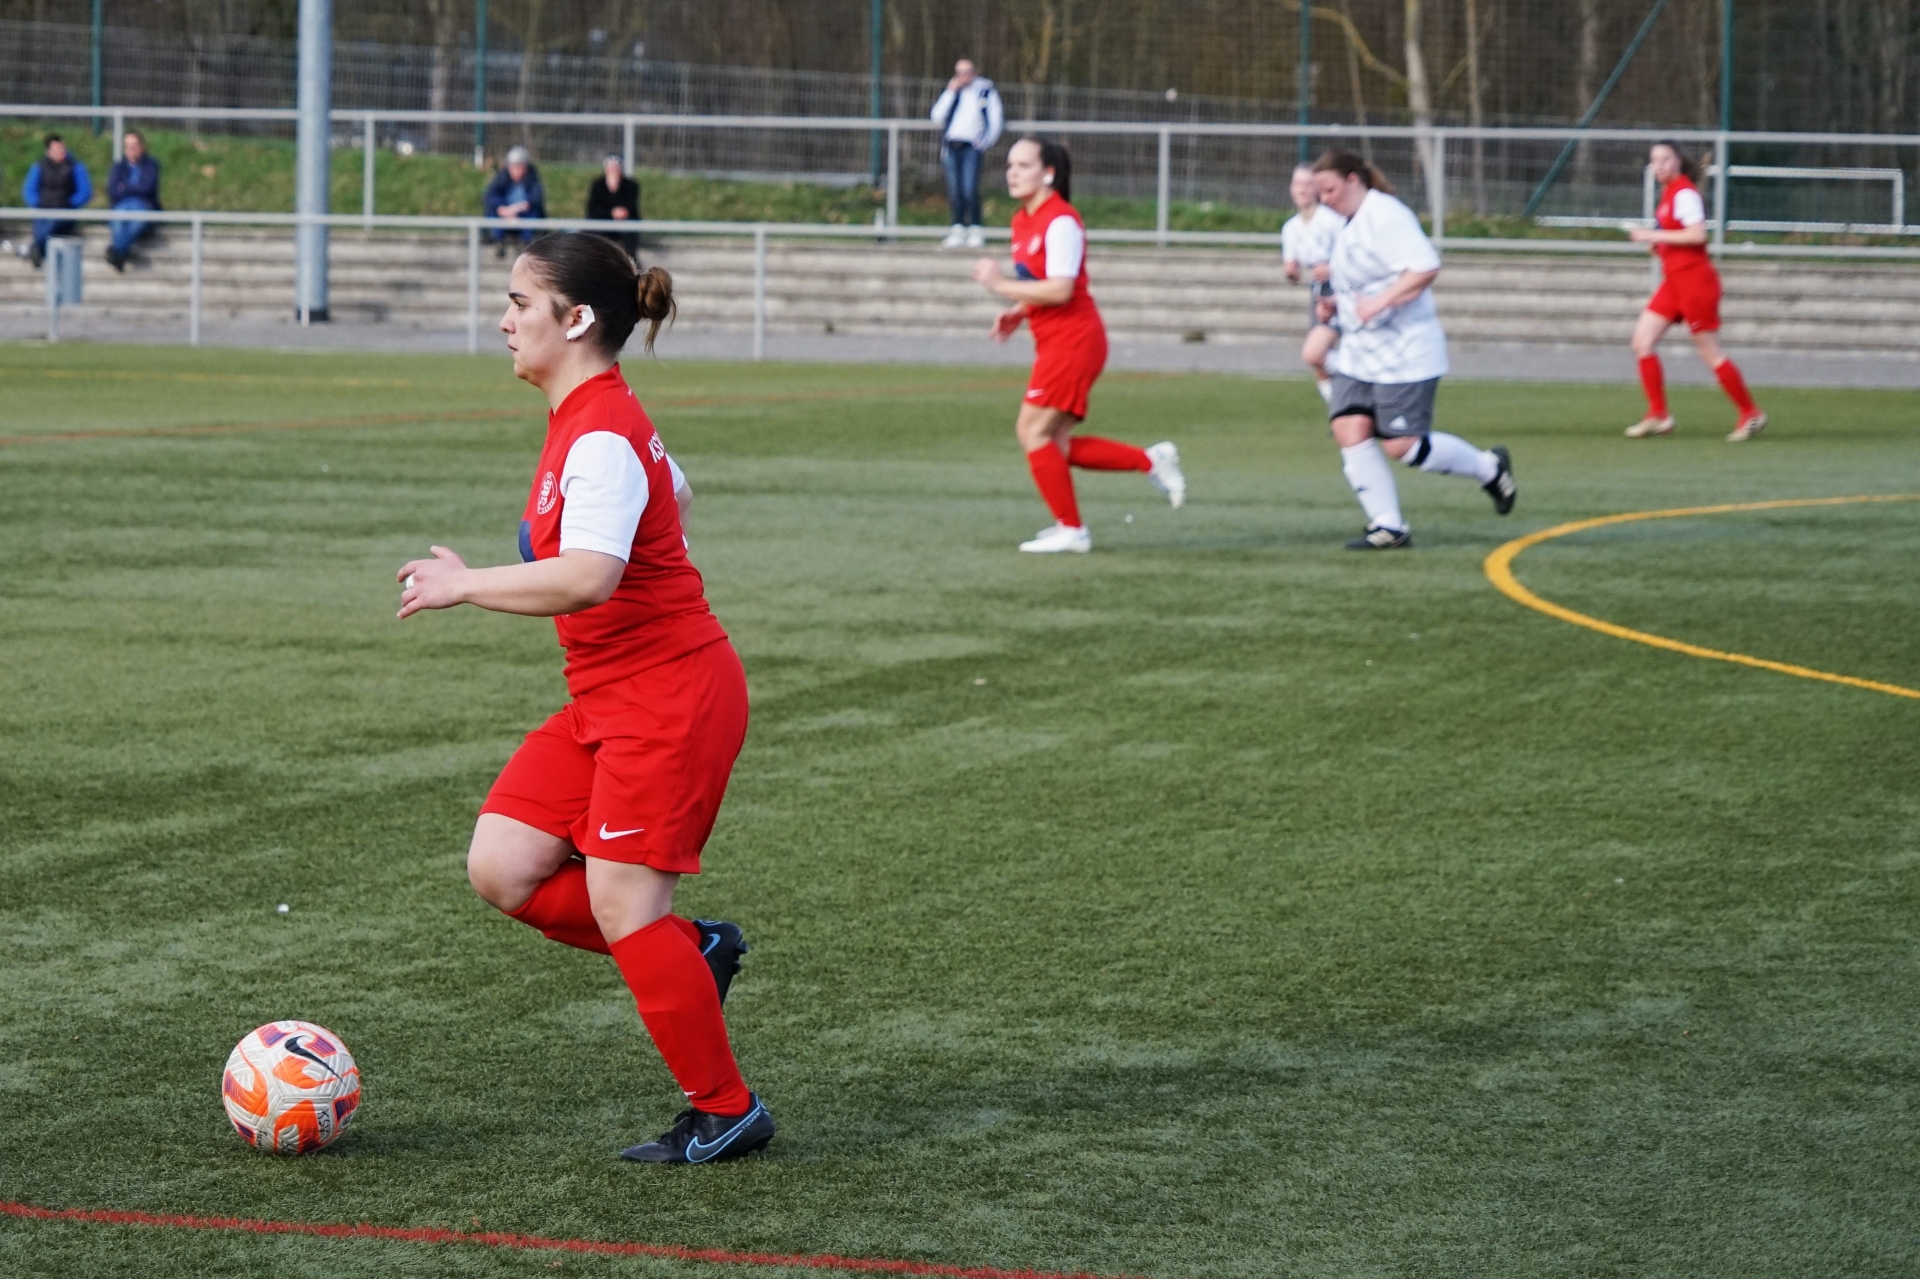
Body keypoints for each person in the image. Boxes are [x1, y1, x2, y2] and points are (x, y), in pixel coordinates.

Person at [396, 232, 775, 1165]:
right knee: (503, 864)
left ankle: (725, 1108)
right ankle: (697, 949)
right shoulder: (590, 417)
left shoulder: (600, 430)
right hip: (610, 694)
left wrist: (466, 582)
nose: (503, 318)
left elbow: (591, 577)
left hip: (668, 697)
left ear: (578, 319)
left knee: (621, 905)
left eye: (520, 302)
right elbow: (673, 494)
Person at [971, 138, 1185, 554]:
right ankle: (1150, 461)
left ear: (1048, 173)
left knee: (1031, 431)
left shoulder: (1061, 220)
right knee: (1055, 444)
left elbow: (1063, 288)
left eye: (1023, 165)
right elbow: (1038, 284)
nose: (1011, 172)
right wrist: (1017, 310)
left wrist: (999, 286)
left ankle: (1072, 530)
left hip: (1074, 341)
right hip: (1054, 341)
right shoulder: (1022, 221)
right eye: (1009, 164)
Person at [1310, 150, 1516, 550]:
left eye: (1330, 190)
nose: (1325, 200)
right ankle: (1388, 525)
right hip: (1360, 350)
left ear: (1354, 180)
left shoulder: (1386, 215)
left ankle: (1487, 468)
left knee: (1402, 446)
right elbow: (1361, 276)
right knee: (1348, 427)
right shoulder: (1348, 223)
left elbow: (1425, 267)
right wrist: (1337, 303)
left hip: (1405, 351)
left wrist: (1381, 302)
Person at [1625, 140, 1767, 442]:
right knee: (1642, 341)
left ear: (1678, 161)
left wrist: (1653, 234)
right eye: (1655, 161)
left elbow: (1697, 234)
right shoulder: (1668, 195)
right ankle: (1658, 415)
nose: (1659, 165)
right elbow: (1676, 239)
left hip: (1694, 282)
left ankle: (1751, 413)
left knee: (1710, 352)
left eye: (1665, 159)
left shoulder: (1685, 193)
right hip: (1674, 282)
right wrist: (1658, 245)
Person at [1280, 162, 1346, 405]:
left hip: (1343, 290)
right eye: (1298, 184)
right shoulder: (1291, 228)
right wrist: (1292, 272)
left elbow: (1353, 254)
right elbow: (1292, 269)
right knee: (1317, 358)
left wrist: (1332, 268)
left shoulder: (1332, 221)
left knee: (1319, 352)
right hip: (1318, 293)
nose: (1302, 190)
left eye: (1308, 184)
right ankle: (1337, 407)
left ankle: (1351, 397)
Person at [931, 59, 1004, 249]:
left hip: (972, 146)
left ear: (975, 72)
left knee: (969, 189)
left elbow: (996, 121)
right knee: (955, 191)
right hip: (951, 146)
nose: (964, 76)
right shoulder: (953, 93)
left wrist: (984, 143)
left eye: (967, 72)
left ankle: (976, 228)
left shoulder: (986, 91)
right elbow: (937, 116)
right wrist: (950, 92)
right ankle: (958, 228)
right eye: (960, 73)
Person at [23, 135, 92, 270]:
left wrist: (71, 203)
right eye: (56, 149)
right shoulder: (39, 167)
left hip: (65, 211)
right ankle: (38, 248)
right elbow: (29, 190)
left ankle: (37, 248)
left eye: (62, 148)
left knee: (52, 220)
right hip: (43, 209)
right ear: (48, 152)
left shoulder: (75, 166)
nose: (60, 152)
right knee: (42, 221)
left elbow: (85, 191)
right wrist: (37, 203)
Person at [105, 130, 163, 272]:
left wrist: (124, 188)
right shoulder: (118, 167)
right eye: (128, 146)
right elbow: (112, 190)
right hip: (122, 204)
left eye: (135, 145)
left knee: (136, 221)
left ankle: (117, 252)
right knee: (117, 221)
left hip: (143, 204)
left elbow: (147, 189)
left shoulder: (151, 165)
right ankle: (122, 252)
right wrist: (133, 188)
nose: (132, 149)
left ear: (142, 146)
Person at [482, 146, 546, 257]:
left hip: (523, 213)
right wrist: (502, 209)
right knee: (492, 213)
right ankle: (498, 241)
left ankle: (525, 242)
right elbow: (490, 196)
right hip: (504, 213)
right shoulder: (501, 177)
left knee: (534, 213)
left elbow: (536, 197)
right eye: (513, 166)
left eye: (520, 166)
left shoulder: (532, 178)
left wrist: (518, 209)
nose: (517, 171)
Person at [585, 153, 642, 261]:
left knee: (630, 230)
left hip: (623, 222)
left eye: (616, 168)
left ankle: (632, 261)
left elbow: (632, 206)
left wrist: (622, 213)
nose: (613, 171)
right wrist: (611, 213)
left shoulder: (631, 185)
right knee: (592, 230)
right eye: (611, 168)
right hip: (602, 221)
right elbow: (593, 209)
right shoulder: (598, 185)